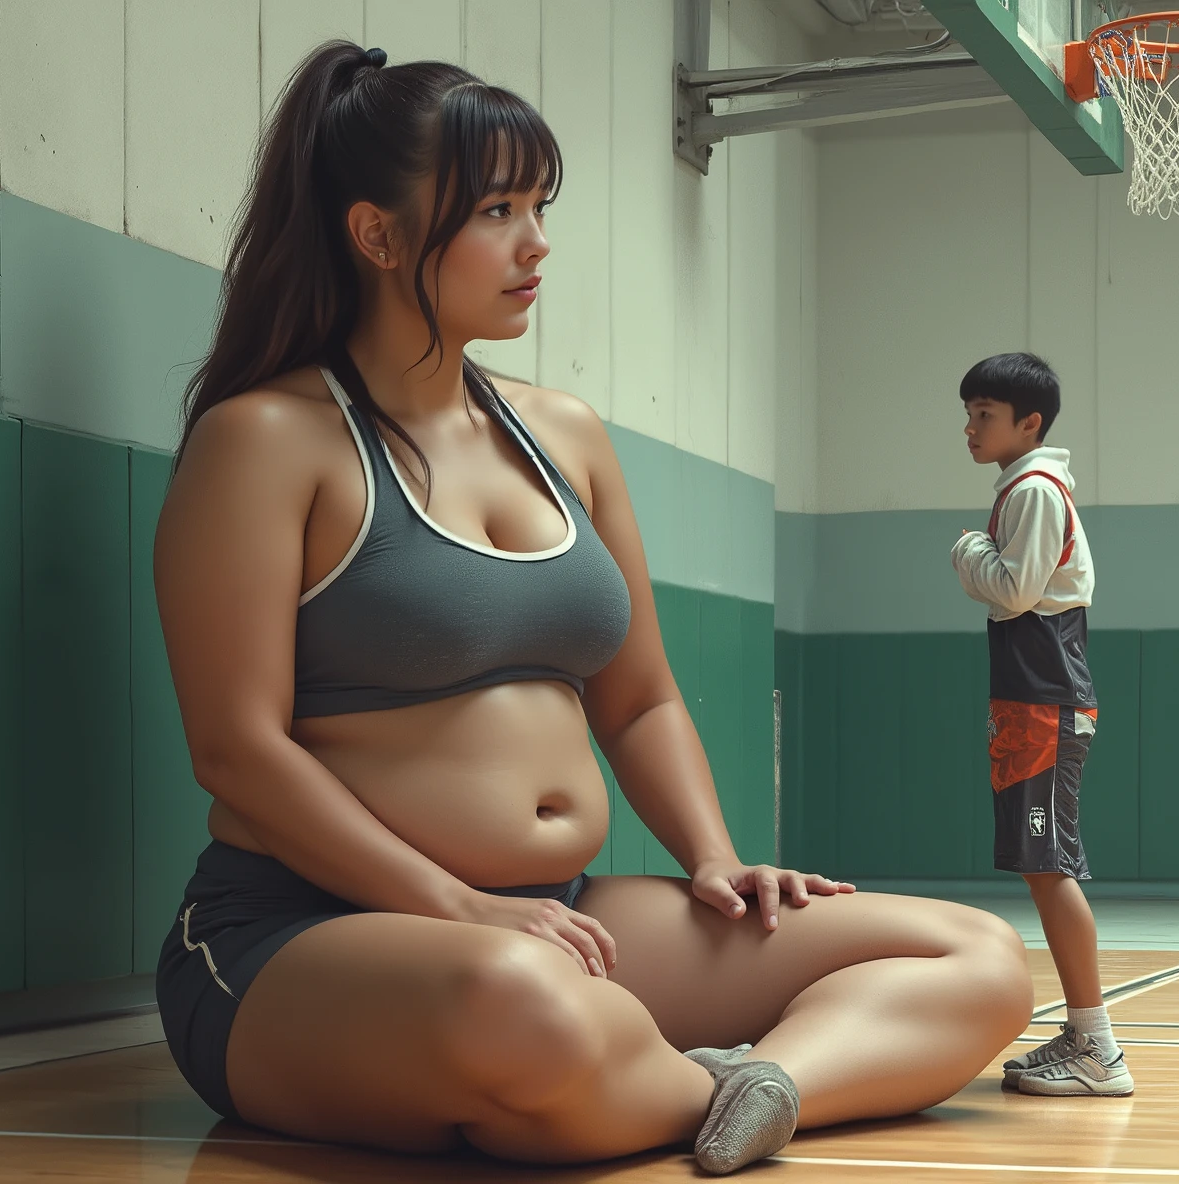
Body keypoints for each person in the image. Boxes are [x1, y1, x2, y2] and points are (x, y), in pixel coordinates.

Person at [150, 42, 1035, 1174]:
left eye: (538, 205)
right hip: (301, 932)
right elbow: (236, 750)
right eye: (497, 210)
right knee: (526, 1004)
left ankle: (750, 1087)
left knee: (974, 953)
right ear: (376, 234)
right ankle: (700, 1074)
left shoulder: (562, 432)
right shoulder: (264, 439)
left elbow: (640, 696)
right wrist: (456, 904)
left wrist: (713, 859)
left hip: (553, 909)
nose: (536, 242)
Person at [951, 353, 1133, 1097]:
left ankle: (1099, 1049)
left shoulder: (1032, 489)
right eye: (968, 413)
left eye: (984, 415)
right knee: (1042, 866)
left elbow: (1015, 591)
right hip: (1034, 702)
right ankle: (1087, 1037)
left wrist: (966, 551)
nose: (969, 427)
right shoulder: (1025, 488)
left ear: (1030, 423)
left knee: (1050, 866)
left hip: (1044, 702)